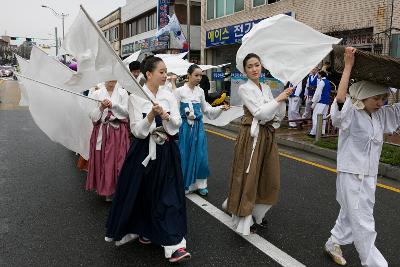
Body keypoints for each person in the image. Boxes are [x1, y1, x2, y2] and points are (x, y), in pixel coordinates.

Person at [105, 56, 191, 263]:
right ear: (148, 74)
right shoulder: (135, 97)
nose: (165, 75)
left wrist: (167, 116)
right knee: (143, 193)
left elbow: (177, 125)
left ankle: (174, 245)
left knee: (168, 196)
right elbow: (137, 131)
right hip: (143, 152)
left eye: (165, 71)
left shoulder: (169, 95)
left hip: (166, 151)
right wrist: (151, 116)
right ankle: (146, 229)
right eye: (161, 72)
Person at [324, 47, 400, 267]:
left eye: (383, 98)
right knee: (363, 222)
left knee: (351, 213)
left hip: (369, 176)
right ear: (363, 95)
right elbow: (339, 104)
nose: (380, 102)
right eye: (376, 98)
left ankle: (333, 242)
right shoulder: (350, 113)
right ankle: (374, 263)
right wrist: (348, 66)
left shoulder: (381, 116)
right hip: (351, 175)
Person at [223, 53, 293, 235]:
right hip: (251, 137)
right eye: (250, 66)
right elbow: (260, 113)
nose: (254, 69)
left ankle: (257, 213)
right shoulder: (244, 89)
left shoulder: (266, 88)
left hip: (267, 135)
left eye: (257, 65)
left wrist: (282, 100)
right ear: (244, 70)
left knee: (267, 175)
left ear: (261, 66)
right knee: (249, 175)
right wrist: (277, 101)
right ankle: (244, 215)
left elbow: (276, 116)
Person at [174, 64, 229, 195]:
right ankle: (185, 184)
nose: (199, 78)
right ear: (188, 75)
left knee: (201, 155)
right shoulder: (179, 92)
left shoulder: (200, 91)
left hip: (198, 128)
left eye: (201, 75)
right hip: (185, 128)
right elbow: (174, 112)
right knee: (184, 154)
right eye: (196, 75)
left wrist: (220, 108)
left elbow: (207, 110)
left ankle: (201, 184)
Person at [86, 80, 130, 202]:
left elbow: (126, 113)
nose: (112, 80)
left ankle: (117, 188)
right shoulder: (96, 93)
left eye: (114, 76)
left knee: (118, 160)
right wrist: (101, 107)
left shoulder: (122, 93)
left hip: (118, 132)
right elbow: (92, 116)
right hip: (102, 131)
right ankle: (105, 188)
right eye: (109, 76)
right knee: (103, 160)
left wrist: (113, 106)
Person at [309, 71, 332, 136]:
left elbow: (317, 94)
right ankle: (322, 132)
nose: (317, 76)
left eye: (318, 75)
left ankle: (313, 132)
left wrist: (313, 102)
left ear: (320, 75)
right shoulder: (328, 82)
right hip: (326, 102)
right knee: (323, 117)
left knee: (316, 117)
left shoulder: (321, 82)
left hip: (320, 102)